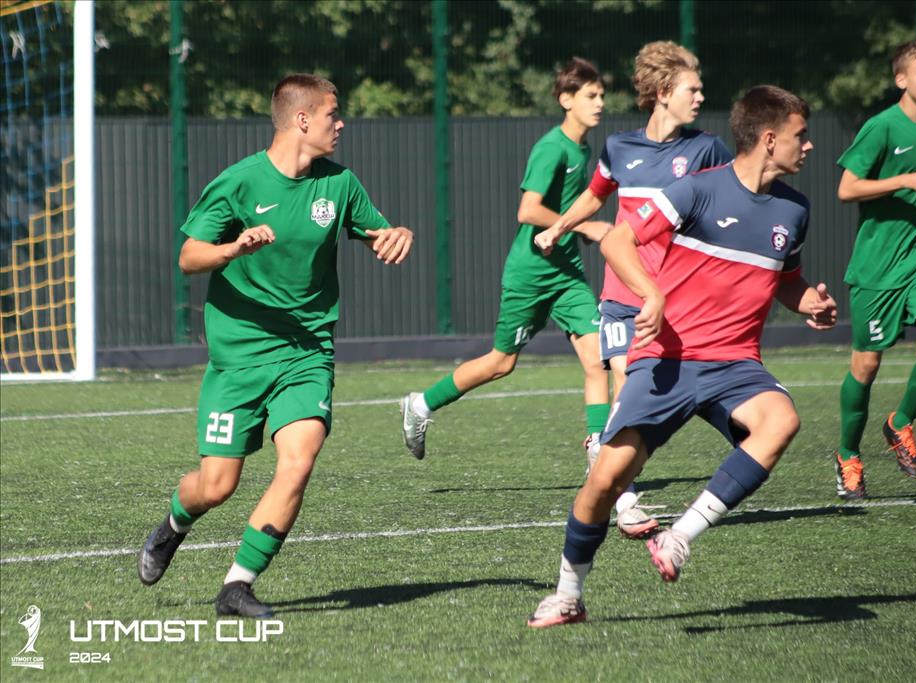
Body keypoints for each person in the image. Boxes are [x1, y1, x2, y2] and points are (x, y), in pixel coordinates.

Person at [528, 85, 838, 628]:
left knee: (782, 419)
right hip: (668, 359)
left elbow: (785, 279)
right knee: (605, 481)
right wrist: (651, 294)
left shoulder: (796, 209)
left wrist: (809, 301)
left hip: (736, 364)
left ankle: (680, 537)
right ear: (769, 139)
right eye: (800, 135)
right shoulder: (695, 190)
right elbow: (617, 242)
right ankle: (568, 596)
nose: (808, 146)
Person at [137, 74, 414, 618]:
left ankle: (236, 585)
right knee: (215, 486)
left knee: (299, 459)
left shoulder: (340, 184)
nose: (341, 124)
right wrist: (233, 248)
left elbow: (378, 233)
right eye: (333, 114)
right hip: (240, 355)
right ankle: (173, 524)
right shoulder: (240, 182)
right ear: (302, 119)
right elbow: (189, 257)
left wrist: (395, 233)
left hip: (307, 352)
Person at [534, 41, 733, 539]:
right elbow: (594, 195)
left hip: (680, 303)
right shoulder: (620, 148)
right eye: (693, 87)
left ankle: (606, 458)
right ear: (664, 92)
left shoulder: (706, 149)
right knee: (626, 386)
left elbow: (737, 199)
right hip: (624, 298)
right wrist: (560, 227)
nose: (700, 96)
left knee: (665, 401)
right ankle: (622, 498)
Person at [400, 58, 610, 465]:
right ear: (566, 100)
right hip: (530, 274)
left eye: (601, 95)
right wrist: (583, 228)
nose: (599, 103)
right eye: (590, 95)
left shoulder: (582, 148)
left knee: (597, 357)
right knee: (501, 363)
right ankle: (420, 405)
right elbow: (528, 211)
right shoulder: (552, 148)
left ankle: (599, 447)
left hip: (566, 275)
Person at [833, 37, 916, 500]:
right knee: (865, 367)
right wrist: (905, 179)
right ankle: (848, 455)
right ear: (901, 79)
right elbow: (847, 188)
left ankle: (899, 423)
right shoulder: (882, 127)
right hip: (878, 267)